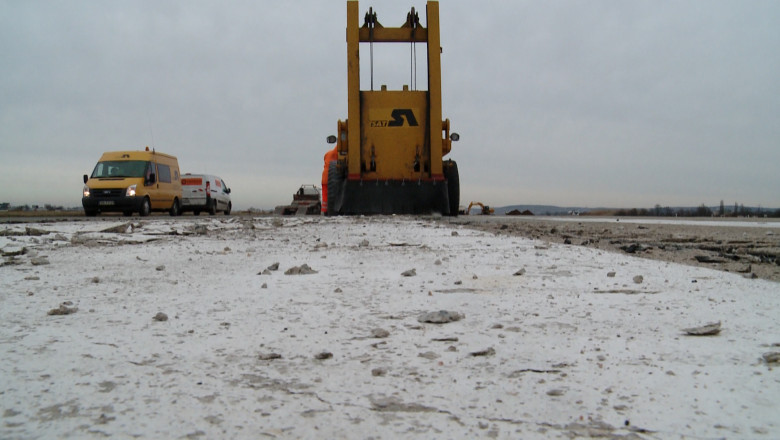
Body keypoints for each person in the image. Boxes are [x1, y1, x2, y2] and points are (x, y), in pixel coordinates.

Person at [321, 146, 338, 214]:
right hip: (332, 177)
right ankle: (330, 210)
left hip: (324, 177)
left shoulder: (328, 154)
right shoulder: (336, 153)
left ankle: (325, 211)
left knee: (325, 195)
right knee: (332, 195)